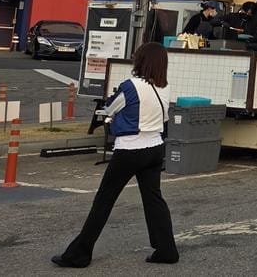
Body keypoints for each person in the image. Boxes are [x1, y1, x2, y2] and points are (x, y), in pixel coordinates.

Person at [53, 42, 178, 267]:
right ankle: (166, 249)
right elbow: (165, 117)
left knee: (104, 200)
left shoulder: (130, 86)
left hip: (130, 148)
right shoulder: (165, 87)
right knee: (154, 199)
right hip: (155, 147)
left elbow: (110, 109)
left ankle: (79, 254)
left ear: (140, 61)